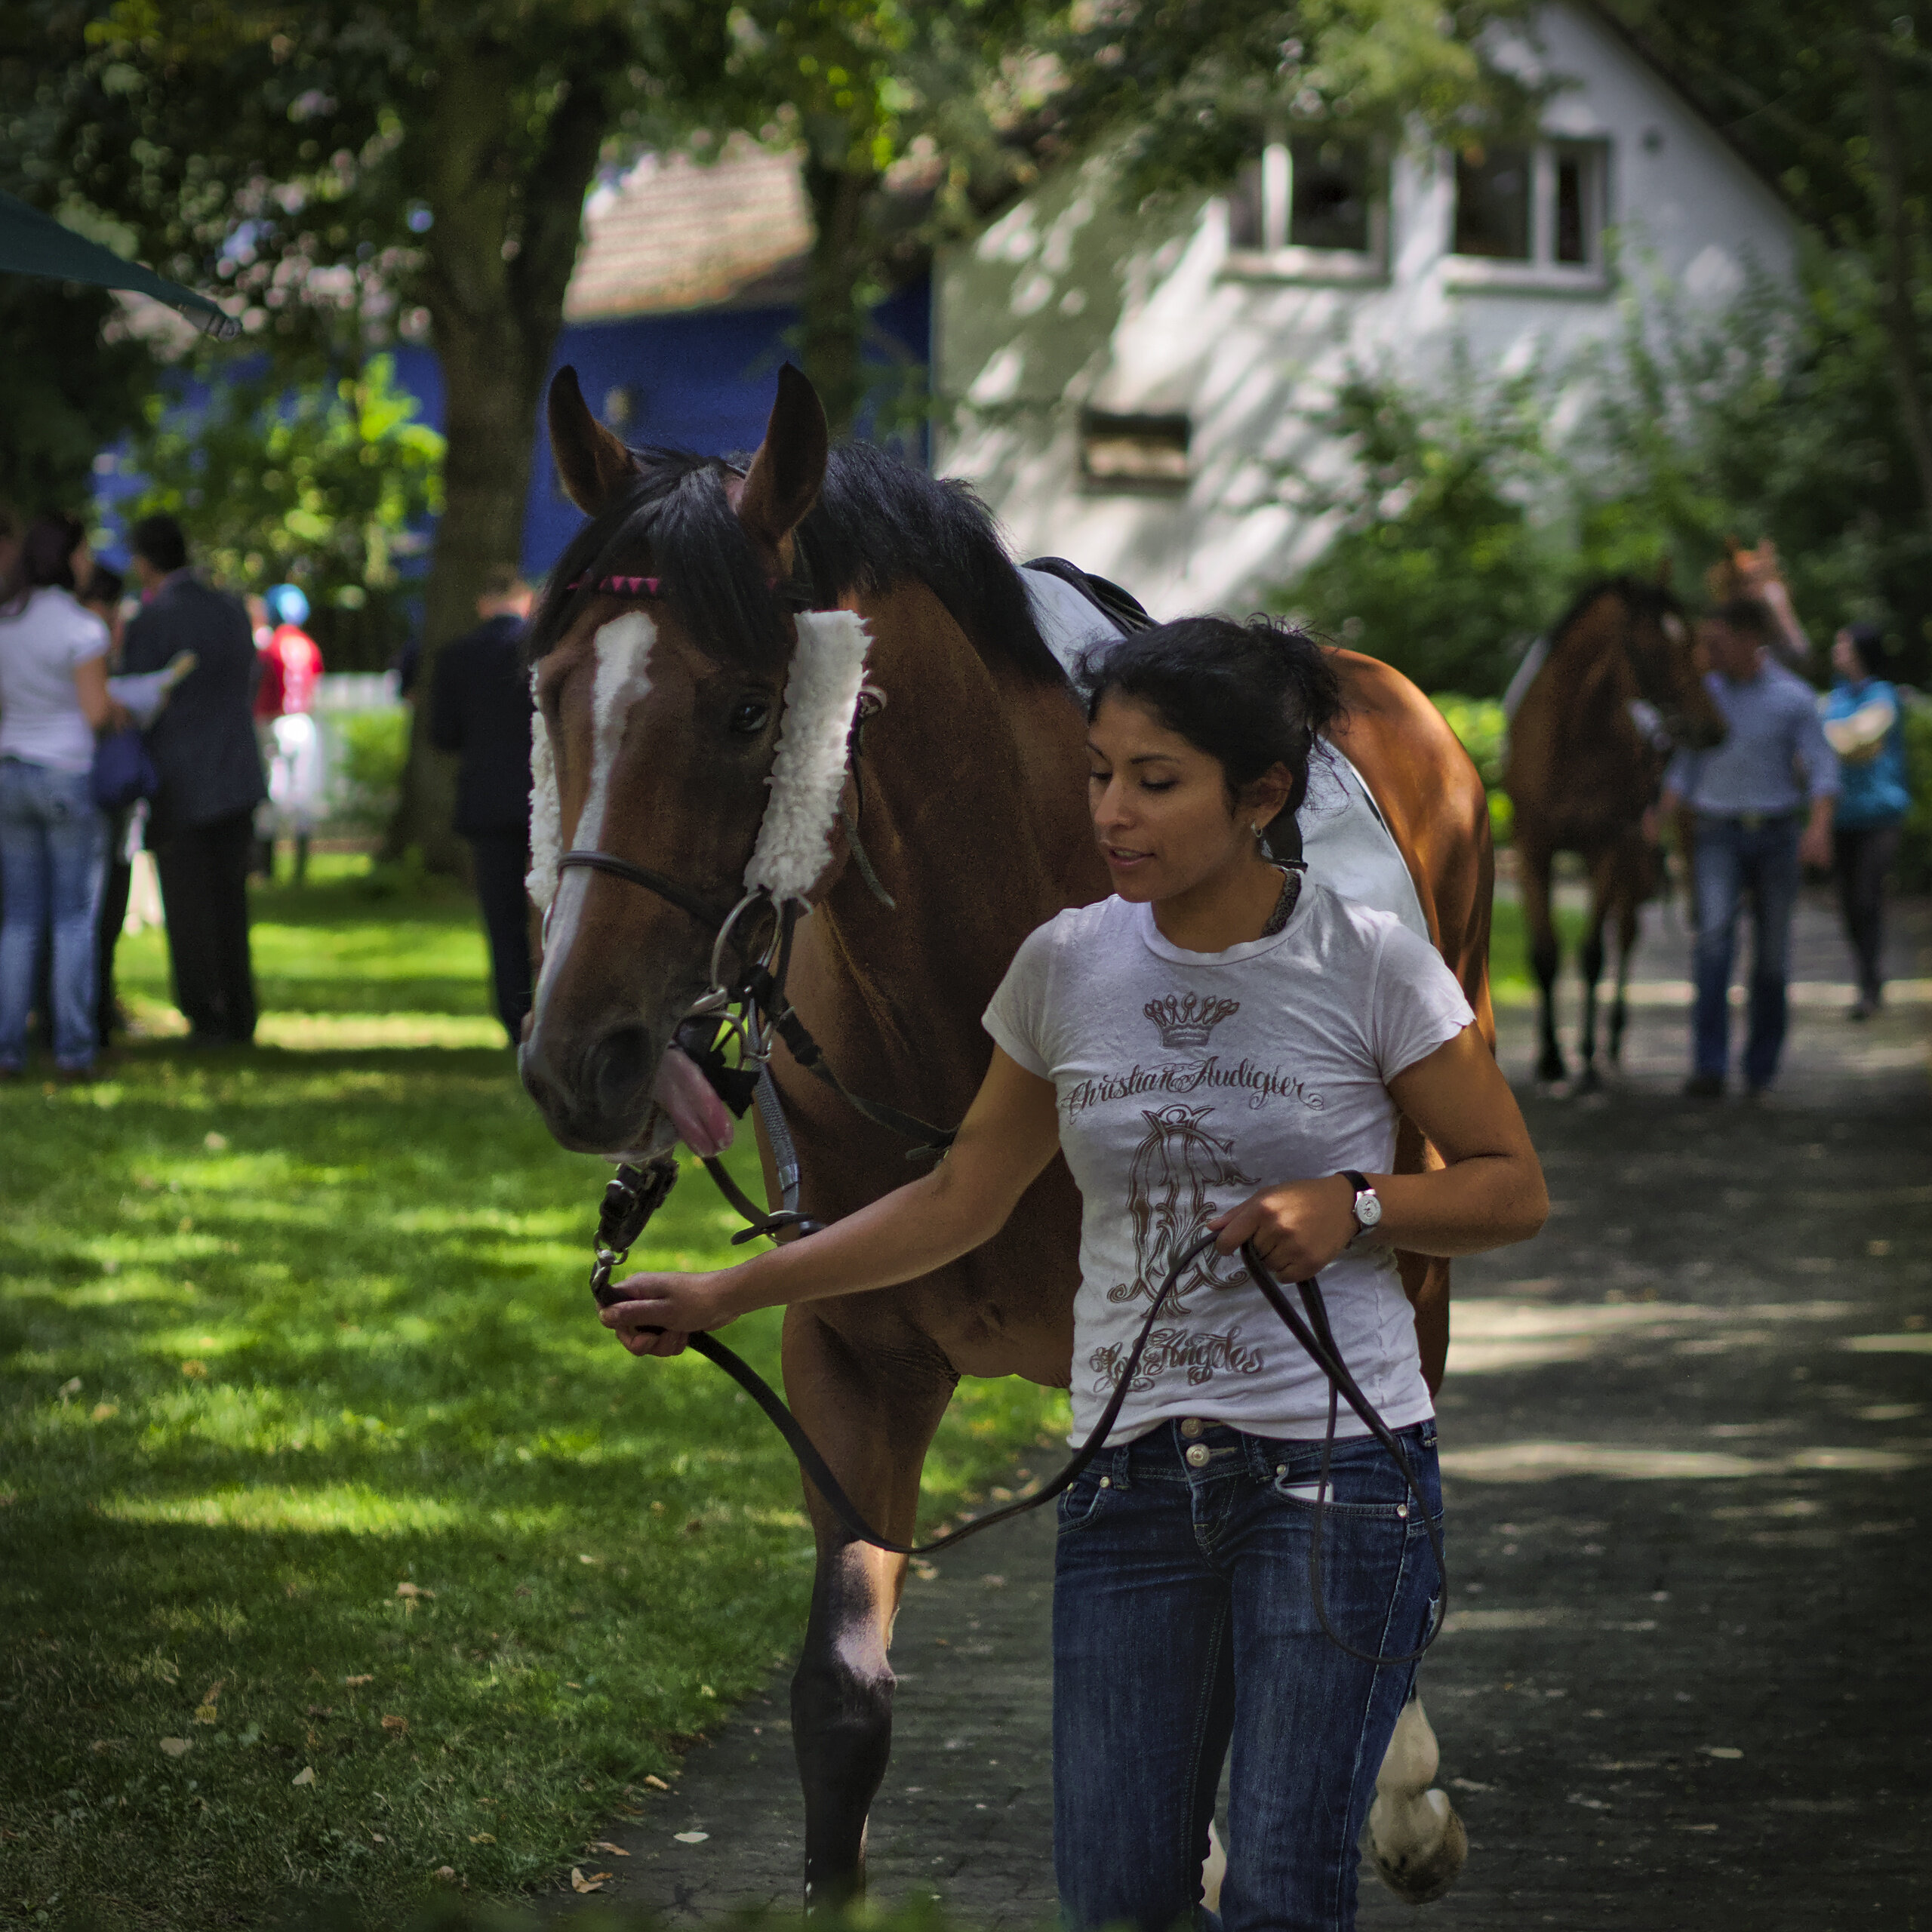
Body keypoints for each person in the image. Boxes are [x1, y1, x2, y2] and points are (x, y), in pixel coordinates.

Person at [595, 616, 1549, 1932]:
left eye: (1156, 782)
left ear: (1260, 796)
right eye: (1099, 773)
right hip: (1130, 1490)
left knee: (1282, 1893)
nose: (1112, 812)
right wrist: (725, 1292)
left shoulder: (1368, 960)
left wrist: (1359, 1203)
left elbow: (1512, 1188)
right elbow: (959, 1199)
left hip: (1336, 1481)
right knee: (1114, 1899)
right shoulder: (1065, 965)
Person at [1659, 596, 1838, 1099]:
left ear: (1749, 640)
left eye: (1717, 643)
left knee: (1772, 956)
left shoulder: (1793, 697)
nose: (1707, 653)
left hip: (1776, 833)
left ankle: (1761, 1068)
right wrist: (1660, 815)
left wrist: (1819, 827)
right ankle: (1709, 1066)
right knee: (1713, 944)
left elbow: (1822, 767)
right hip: (1717, 832)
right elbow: (1685, 767)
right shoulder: (1706, 694)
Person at [120, 513, 266, 1048]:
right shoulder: (229, 608)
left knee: (187, 903)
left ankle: (206, 1012)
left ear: (144, 563)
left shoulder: (152, 620)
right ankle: (240, 1007)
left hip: (179, 776)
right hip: (236, 771)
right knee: (230, 898)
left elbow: (136, 696)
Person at [0, 513, 116, 1078]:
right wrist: (121, 708)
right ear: (68, 557)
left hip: (10, 770)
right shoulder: (81, 628)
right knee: (72, 916)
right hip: (65, 772)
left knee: (18, 918)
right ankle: (73, 1047)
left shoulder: (7, 623)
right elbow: (95, 713)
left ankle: (8, 1048)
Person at [429, 566, 536, 1046]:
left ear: (482, 604)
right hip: (545, 796)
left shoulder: (457, 656)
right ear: (525, 600)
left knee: (503, 916)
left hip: (488, 800)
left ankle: (516, 1016)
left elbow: (443, 735)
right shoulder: (544, 648)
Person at [1822, 622, 1912, 1020]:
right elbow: (1846, 742)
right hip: (1842, 816)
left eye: (1843, 644)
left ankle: (1869, 983)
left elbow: (1857, 742)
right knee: (1848, 904)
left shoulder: (1882, 696)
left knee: (1866, 897)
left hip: (1880, 814)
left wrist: (1826, 736)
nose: (1836, 650)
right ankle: (1866, 976)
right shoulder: (1836, 697)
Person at [253, 581, 325, 883]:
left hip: (274, 722)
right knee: (301, 792)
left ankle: (266, 867)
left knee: (272, 793)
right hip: (303, 722)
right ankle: (300, 868)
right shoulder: (309, 646)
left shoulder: (269, 647)